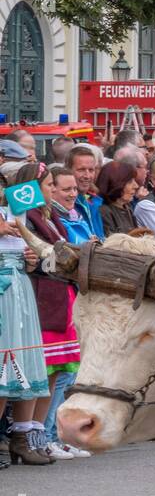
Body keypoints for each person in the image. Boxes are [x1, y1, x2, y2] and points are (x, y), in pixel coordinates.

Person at [19, 165, 88, 459]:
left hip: (59, 297)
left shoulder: (48, 215)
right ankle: (33, 436)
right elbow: (43, 261)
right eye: (48, 185)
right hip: (42, 298)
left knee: (57, 371)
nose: (51, 191)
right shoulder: (25, 217)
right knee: (43, 371)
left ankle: (42, 437)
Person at [0, 180, 53, 467]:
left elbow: (35, 260)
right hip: (2, 295)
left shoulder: (15, 212)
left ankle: (21, 439)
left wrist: (31, 260)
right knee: (2, 367)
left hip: (20, 292)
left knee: (26, 362)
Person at [66, 145, 105, 239]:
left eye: (91, 170)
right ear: (68, 170)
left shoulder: (95, 202)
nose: (87, 176)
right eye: (81, 170)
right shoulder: (65, 204)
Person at [96, 162, 141, 236]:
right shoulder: (104, 211)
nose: (136, 186)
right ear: (115, 184)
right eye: (130, 182)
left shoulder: (127, 207)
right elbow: (113, 244)